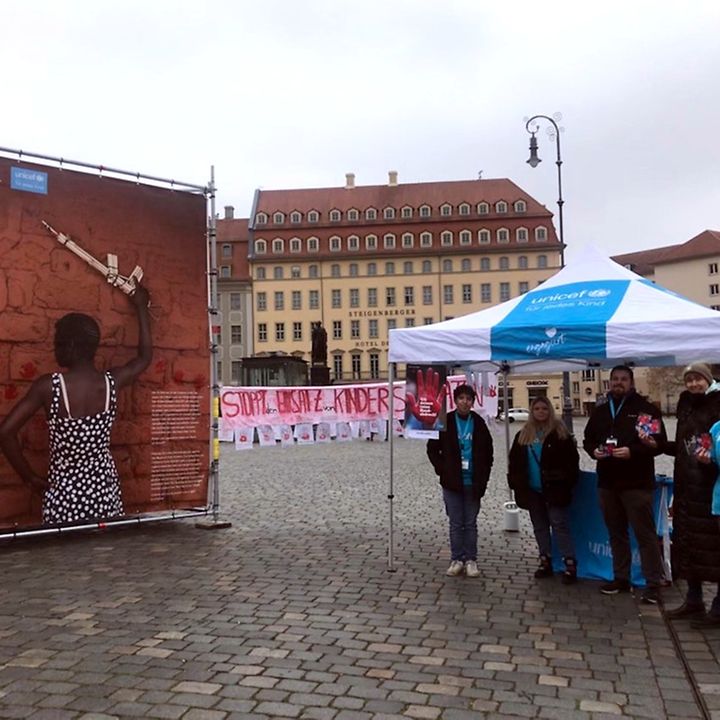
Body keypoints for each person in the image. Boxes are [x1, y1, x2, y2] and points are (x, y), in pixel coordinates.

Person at [0, 286, 152, 524]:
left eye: (58, 344)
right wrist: (141, 307)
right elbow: (144, 358)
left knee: (65, 557)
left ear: (71, 346)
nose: (54, 349)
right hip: (105, 492)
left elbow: (5, 432)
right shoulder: (111, 382)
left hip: (64, 499)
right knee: (104, 555)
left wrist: (29, 478)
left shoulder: (48, 387)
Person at [583, 365, 667, 603]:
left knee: (645, 535)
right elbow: (588, 439)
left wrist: (633, 451)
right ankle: (621, 578)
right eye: (615, 379)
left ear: (631, 382)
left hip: (636, 483)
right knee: (616, 533)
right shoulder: (600, 411)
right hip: (607, 482)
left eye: (623, 379)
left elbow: (658, 444)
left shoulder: (645, 410)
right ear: (609, 383)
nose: (618, 383)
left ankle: (653, 584)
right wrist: (593, 451)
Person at [651, 363, 720, 628]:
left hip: (710, 488)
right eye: (689, 380)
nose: (693, 384)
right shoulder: (686, 404)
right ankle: (694, 600)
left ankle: (718, 607)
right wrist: (656, 445)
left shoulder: (717, 404)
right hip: (686, 487)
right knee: (689, 545)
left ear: (707, 379)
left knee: (714, 548)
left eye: (697, 379)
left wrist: (711, 460)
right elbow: (684, 447)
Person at [508, 396, 580, 584]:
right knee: (539, 526)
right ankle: (545, 559)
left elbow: (572, 462)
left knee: (559, 525)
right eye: (537, 408)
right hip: (532, 489)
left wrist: (566, 482)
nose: (541, 412)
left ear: (549, 411)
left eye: (544, 408)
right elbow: (514, 462)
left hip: (555, 489)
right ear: (532, 411)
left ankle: (569, 562)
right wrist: (517, 483)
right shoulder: (523, 434)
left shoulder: (560, 434)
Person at [427, 384, 493, 577]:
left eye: (468, 399)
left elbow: (488, 453)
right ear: (455, 401)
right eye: (461, 398)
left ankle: (471, 559)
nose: (465, 402)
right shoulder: (445, 420)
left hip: (473, 481)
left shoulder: (479, 423)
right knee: (456, 523)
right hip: (452, 482)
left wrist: (484, 476)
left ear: (473, 402)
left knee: (470, 523)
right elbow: (432, 448)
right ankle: (457, 559)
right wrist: (443, 469)